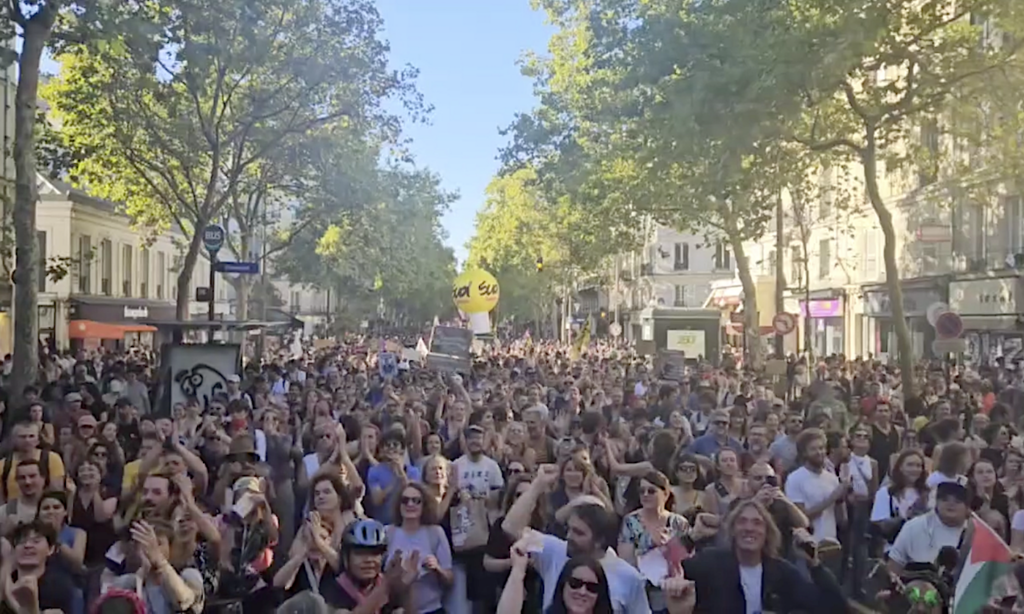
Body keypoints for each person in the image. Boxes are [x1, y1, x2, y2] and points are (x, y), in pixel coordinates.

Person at [503, 464, 651, 614]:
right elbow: (511, 527)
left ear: (600, 540)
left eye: (578, 533)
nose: (569, 537)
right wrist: (537, 486)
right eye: (569, 529)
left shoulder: (629, 578)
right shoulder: (556, 551)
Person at [679, 499, 845, 613]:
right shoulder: (710, 562)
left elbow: (833, 608)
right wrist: (691, 538)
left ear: (767, 533)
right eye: (742, 521)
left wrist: (815, 564)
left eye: (757, 523)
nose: (749, 528)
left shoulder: (782, 572)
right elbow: (664, 572)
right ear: (733, 530)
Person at [318, 519, 419, 613]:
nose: (369, 560)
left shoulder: (389, 585)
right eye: (360, 553)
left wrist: (405, 588)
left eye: (375, 553)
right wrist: (384, 586)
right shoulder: (331, 590)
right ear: (345, 557)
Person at [888, 480, 971, 575]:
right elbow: (894, 565)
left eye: (958, 500)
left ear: (967, 507)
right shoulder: (914, 526)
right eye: (944, 499)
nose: (951, 503)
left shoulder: (977, 533)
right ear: (936, 502)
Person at [0, 520, 79, 614]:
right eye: (21, 542)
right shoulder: (5, 577)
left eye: (36, 541)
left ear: (50, 549)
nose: (27, 545)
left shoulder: (59, 585)